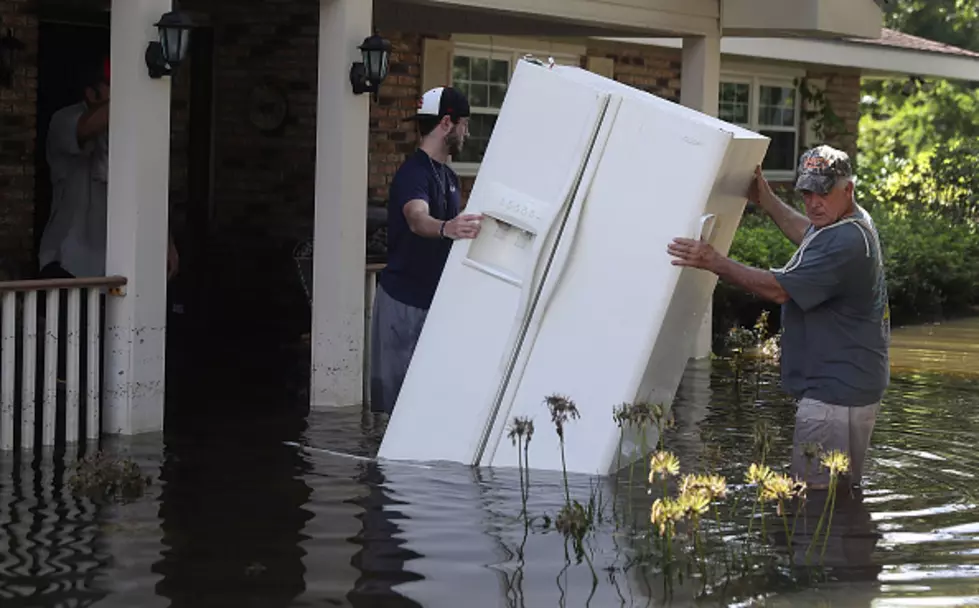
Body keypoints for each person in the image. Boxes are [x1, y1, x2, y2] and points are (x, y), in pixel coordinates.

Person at [667, 145, 890, 489]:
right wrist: (768, 201)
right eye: (806, 192)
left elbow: (779, 289)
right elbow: (808, 233)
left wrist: (714, 261)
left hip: (835, 393)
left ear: (848, 189)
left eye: (823, 192)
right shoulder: (849, 221)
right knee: (838, 497)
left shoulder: (844, 242)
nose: (814, 202)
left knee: (814, 498)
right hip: (850, 385)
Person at [370, 86, 483, 415]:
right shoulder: (413, 173)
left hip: (433, 303)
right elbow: (416, 218)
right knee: (393, 409)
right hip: (402, 303)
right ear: (446, 123)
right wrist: (447, 227)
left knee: (426, 406)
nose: (467, 132)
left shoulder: (447, 176)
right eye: (464, 123)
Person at [38, 57, 178, 281]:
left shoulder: (134, 126)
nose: (122, 92)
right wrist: (134, 93)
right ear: (91, 93)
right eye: (115, 85)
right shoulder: (64, 119)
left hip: (116, 264)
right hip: (67, 262)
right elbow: (86, 128)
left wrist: (166, 241)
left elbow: (149, 188)